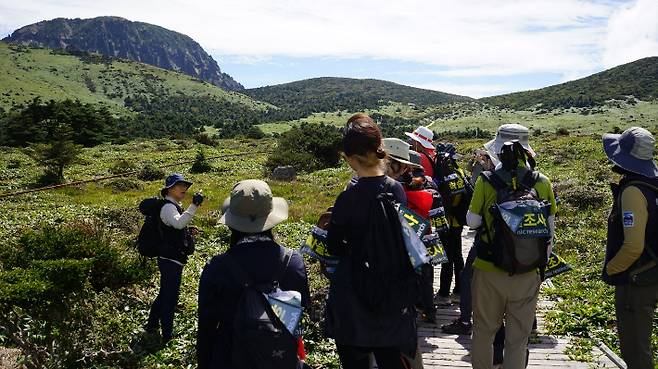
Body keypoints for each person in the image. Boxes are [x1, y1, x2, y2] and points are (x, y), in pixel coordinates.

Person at [325, 113, 417, 369]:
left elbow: (334, 246)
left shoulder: (348, 198)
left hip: (353, 296)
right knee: (390, 357)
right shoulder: (396, 190)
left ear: (350, 158)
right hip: (390, 292)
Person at [468, 124, 557, 369]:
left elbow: (472, 222)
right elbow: (549, 230)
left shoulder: (487, 181)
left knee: (484, 332)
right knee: (518, 339)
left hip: (489, 268)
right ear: (527, 152)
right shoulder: (542, 182)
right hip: (527, 271)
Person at [196, 179, 310, 369]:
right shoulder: (293, 262)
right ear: (270, 217)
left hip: (229, 358)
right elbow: (298, 314)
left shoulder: (217, 267)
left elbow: (206, 328)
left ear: (231, 222)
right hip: (280, 359)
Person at [601, 127, 658, 369]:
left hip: (637, 280)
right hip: (653, 273)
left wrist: (611, 269)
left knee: (636, 350)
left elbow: (633, 246)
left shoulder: (633, 191)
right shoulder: (653, 184)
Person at [145, 173, 203, 343]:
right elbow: (178, 223)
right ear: (169, 188)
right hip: (170, 260)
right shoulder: (168, 207)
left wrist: (187, 230)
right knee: (170, 298)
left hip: (170, 258)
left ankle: (152, 325)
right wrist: (194, 205)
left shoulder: (173, 206)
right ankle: (167, 335)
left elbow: (176, 226)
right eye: (180, 185)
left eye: (186, 185)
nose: (184, 188)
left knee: (164, 294)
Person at [433, 143, 470, 306]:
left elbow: (450, 198)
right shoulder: (459, 171)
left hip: (446, 220)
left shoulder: (443, 173)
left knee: (447, 257)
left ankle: (443, 292)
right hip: (457, 221)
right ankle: (459, 289)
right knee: (457, 256)